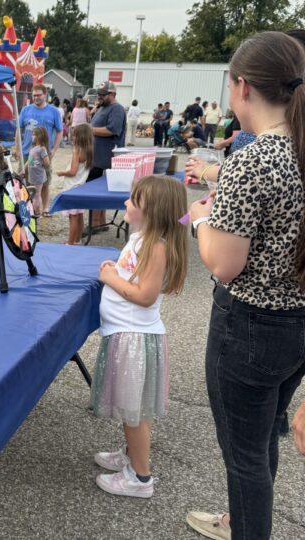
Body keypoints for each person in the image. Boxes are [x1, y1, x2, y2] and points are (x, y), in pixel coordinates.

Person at [186, 31, 305, 540]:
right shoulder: (298, 151)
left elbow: (223, 264)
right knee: (261, 441)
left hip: (250, 326)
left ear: (241, 87)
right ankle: (243, 522)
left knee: (244, 458)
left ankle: (246, 529)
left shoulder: (254, 159)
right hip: (297, 324)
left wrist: (199, 221)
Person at [91, 175, 188, 499]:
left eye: (133, 201)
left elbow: (145, 295)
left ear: (151, 210)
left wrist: (110, 279)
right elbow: (136, 277)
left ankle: (140, 477)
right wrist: (117, 271)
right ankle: (132, 454)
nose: (125, 204)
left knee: (135, 412)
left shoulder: (155, 245)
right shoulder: (143, 237)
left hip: (134, 339)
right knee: (132, 408)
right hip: (127, 334)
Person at [18, 84, 63, 216]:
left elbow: (59, 131)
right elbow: (19, 129)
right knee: (25, 180)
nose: (36, 97)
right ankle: (27, 208)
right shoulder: (25, 110)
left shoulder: (54, 111)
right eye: (34, 95)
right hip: (26, 152)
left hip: (44, 154)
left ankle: (45, 208)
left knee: (45, 181)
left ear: (45, 95)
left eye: (38, 95)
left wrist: (54, 149)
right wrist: (17, 147)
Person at [88, 80, 126, 232]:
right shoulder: (103, 107)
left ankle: (95, 224)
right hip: (97, 158)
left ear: (112, 94)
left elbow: (112, 130)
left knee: (96, 192)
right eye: (99, 94)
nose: (99, 97)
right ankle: (100, 223)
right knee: (98, 191)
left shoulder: (116, 109)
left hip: (105, 159)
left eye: (103, 95)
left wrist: (89, 130)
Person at [56, 123, 93, 245]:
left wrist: (61, 173)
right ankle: (77, 240)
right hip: (81, 187)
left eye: (75, 135)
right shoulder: (89, 151)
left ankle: (70, 243)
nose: (73, 137)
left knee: (73, 217)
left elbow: (73, 172)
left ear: (80, 137)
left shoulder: (77, 151)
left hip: (72, 187)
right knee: (79, 215)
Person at [26, 127, 51, 216]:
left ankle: (37, 211)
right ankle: (36, 210)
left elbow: (47, 162)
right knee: (34, 193)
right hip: (32, 176)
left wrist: (42, 166)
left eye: (34, 134)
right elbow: (29, 161)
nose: (32, 136)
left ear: (39, 136)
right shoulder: (33, 149)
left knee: (37, 194)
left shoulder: (42, 149)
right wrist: (23, 171)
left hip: (38, 176)